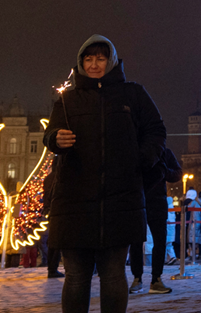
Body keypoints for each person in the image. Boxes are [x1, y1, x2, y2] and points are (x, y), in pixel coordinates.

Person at [43, 35, 167, 313]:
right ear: (80, 62)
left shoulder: (133, 93)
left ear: (111, 61)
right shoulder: (68, 100)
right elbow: (50, 133)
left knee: (113, 275)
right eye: (88, 58)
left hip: (119, 199)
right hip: (74, 199)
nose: (94, 64)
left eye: (100, 58)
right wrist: (55, 138)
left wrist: (142, 157)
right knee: (76, 276)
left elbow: (156, 130)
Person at [130, 146, 180, 294]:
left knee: (159, 241)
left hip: (156, 201)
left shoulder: (164, 152)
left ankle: (156, 279)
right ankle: (137, 278)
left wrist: (165, 172)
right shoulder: (137, 150)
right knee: (136, 241)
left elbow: (177, 173)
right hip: (139, 200)